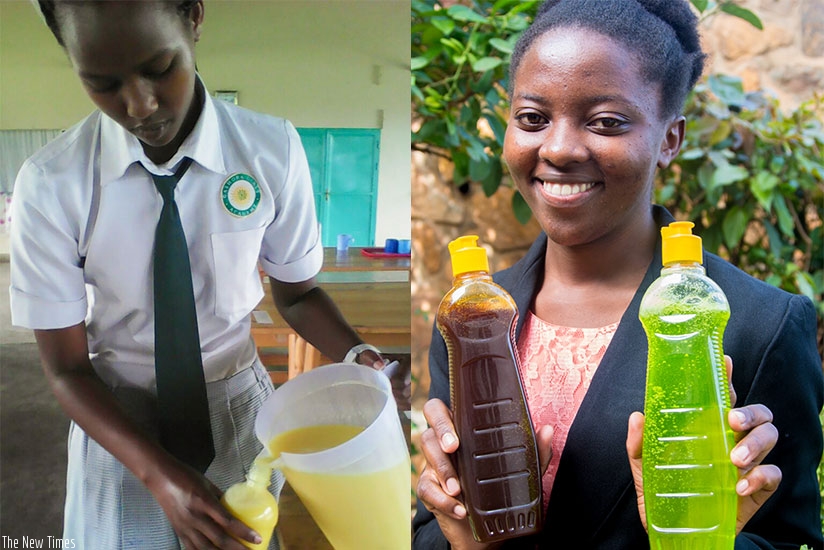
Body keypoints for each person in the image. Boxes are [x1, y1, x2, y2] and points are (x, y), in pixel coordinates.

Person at [412, 0, 824, 548]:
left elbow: (791, 540)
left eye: (606, 122)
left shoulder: (756, 325)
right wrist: (462, 534)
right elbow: (429, 531)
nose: (557, 148)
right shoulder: (474, 321)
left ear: (670, 140)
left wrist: (700, 539)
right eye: (532, 118)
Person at [9, 1, 394, 549]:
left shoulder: (270, 152)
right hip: (118, 416)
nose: (139, 103)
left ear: (193, 18)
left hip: (236, 401)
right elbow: (68, 369)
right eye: (102, 82)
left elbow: (299, 292)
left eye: (160, 68)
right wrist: (158, 475)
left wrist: (359, 357)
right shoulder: (52, 184)